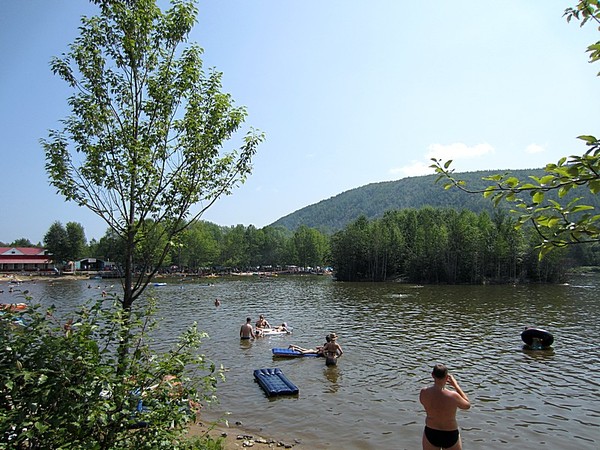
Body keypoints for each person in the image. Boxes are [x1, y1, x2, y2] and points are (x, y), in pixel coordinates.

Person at [419, 364, 470, 450]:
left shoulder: (424, 392)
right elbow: (467, 405)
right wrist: (456, 386)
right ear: (447, 378)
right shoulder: (453, 396)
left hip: (431, 431)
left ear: (432, 375)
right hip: (450, 433)